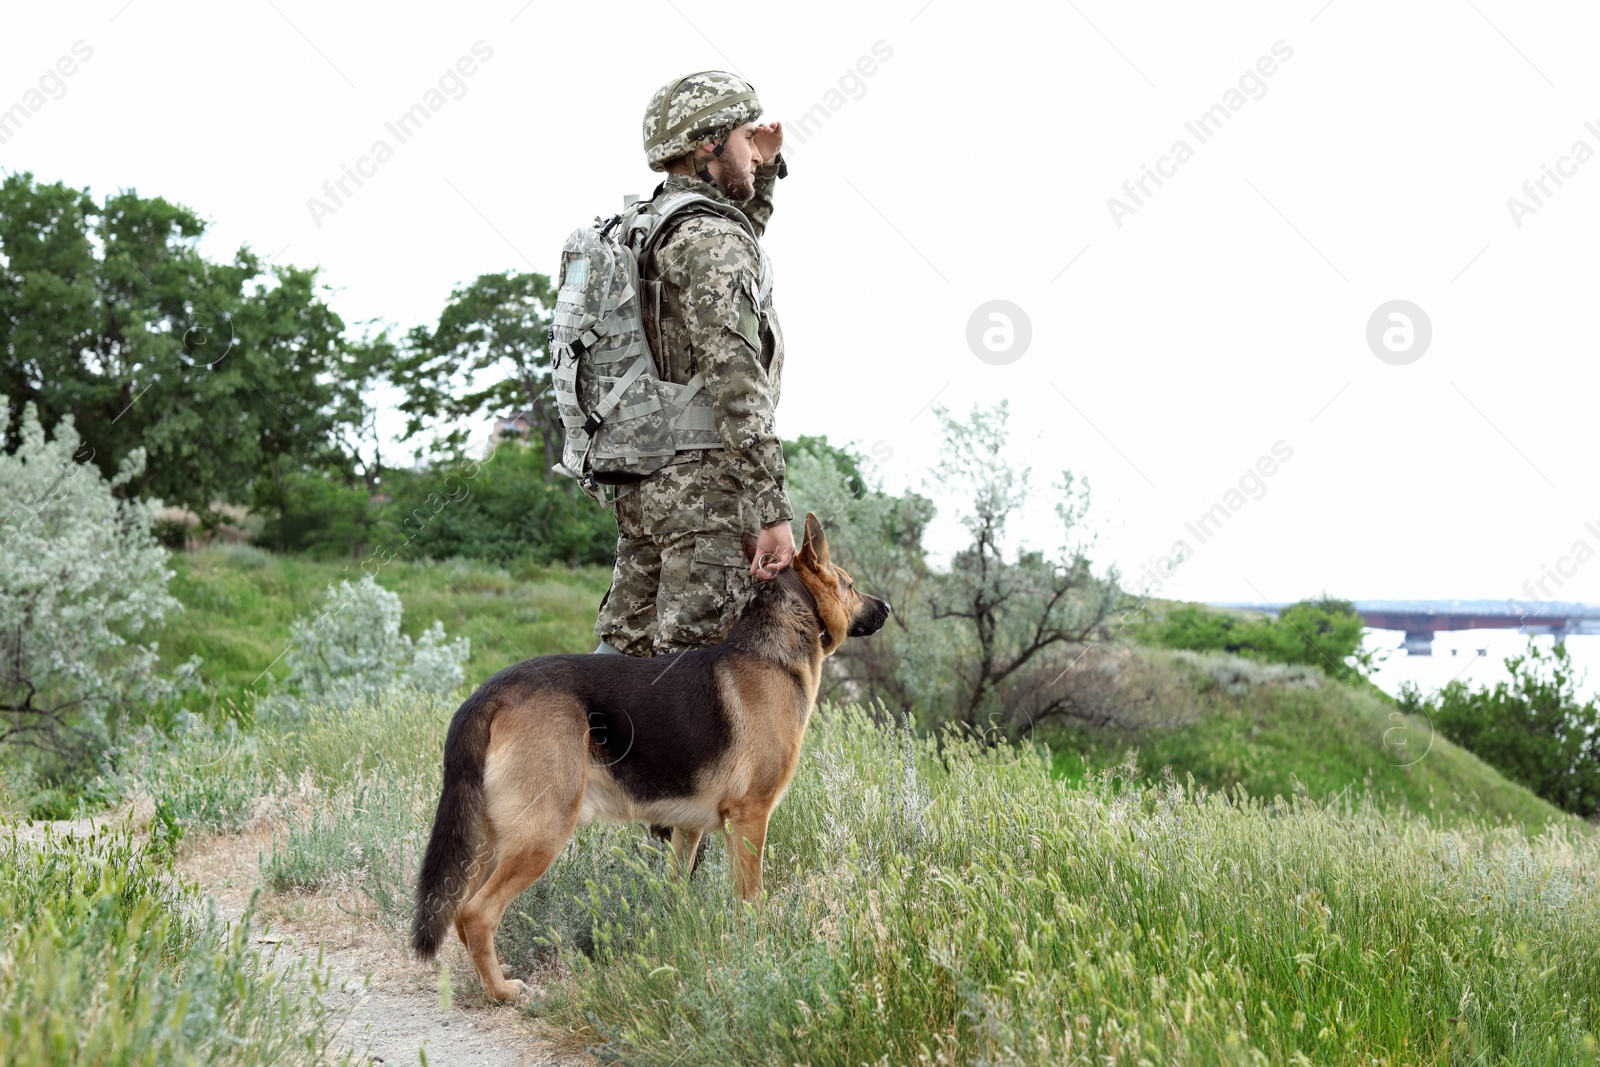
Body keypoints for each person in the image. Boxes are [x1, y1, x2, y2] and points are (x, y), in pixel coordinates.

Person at [593, 71, 796, 658]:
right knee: (692, 680)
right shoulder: (710, 240)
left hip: (651, 480)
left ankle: (573, 751)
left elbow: (734, 240)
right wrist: (772, 508)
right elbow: (736, 380)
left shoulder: (650, 225)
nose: (756, 153)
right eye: (744, 138)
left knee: (621, 661)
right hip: (706, 493)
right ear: (709, 143)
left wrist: (764, 174)